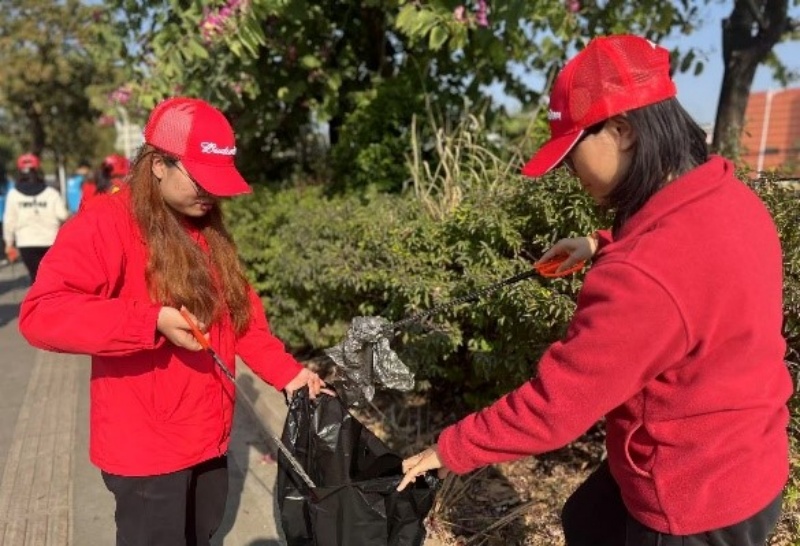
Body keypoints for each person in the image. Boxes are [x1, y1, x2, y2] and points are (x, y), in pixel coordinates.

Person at [397, 35, 793, 546]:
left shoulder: (643, 275)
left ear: (622, 131)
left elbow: (556, 406)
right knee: (587, 520)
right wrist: (597, 243)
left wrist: (450, 450)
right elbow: (684, 264)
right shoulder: (729, 198)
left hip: (689, 501)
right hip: (749, 459)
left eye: (571, 153)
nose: (569, 171)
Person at [18, 97, 327, 546]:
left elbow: (241, 317)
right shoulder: (107, 222)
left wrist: (289, 375)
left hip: (208, 434)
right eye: (201, 180)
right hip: (146, 448)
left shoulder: (206, 227)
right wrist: (149, 321)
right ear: (159, 165)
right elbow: (42, 312)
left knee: (203, 532)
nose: (210, 194)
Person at [3, 153, 69, 282]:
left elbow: (9, 221)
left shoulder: (13, 195)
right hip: (50, 241)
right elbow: (63, 215)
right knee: (51, 278)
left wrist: (9, 243)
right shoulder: (51, 193)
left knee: (36, 278)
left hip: (26, 243)